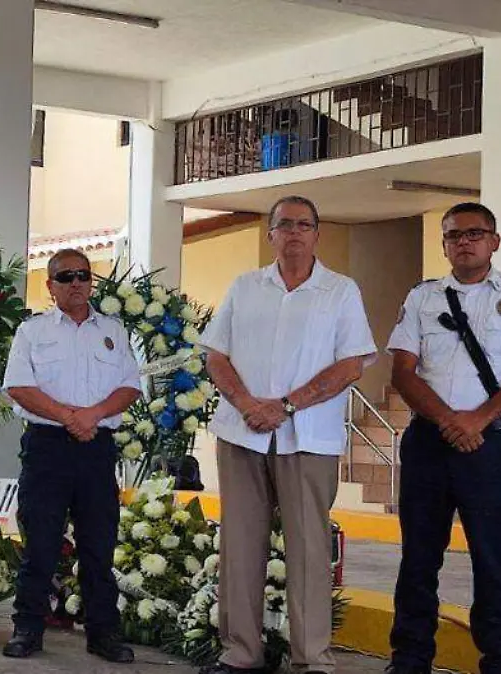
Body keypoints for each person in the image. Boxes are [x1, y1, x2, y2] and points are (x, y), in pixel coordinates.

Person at [198, 196, 376, 674]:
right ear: (270, 234)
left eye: (304, 224)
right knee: (239, 547)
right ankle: (240, 653)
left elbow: (352, 363)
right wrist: (247, 405)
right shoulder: (245, 286)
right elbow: (216, 355)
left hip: (308, 438)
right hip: (242, 434)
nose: (294, 232)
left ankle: (311, 660)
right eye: (284, 225)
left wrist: (287, 405)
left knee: (308, 550)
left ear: (317, 233)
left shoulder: (340, 291)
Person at [386, 202, 501, 674]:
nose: (465, 242)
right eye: (454, 235)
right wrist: (448, 420)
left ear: (494, 242)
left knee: (495, 560)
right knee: (419, 559)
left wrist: (478, 419)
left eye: (475, 233)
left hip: (491, 445)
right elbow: (402, 370)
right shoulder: (423, 298)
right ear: (444, 245)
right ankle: (410, 659)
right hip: (428, 444)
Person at [1, 248, 141, 664]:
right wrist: (69, 417)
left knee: (99, 545)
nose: (76, 282)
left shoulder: (112, 329)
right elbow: (19, 387)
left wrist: (92, 416)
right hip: (48, 447)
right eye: (66, 277)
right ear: (51, 286)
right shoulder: (33, 332)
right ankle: (27, 629)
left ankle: (103, 633)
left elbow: (131, 386)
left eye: (82, 275)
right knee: (40, 544)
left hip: (97, 447)